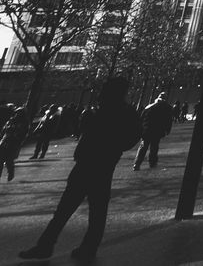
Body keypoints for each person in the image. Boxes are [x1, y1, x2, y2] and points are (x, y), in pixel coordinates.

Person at [19, 76, 141, 263]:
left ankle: (46, 246)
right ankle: (85, 247)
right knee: (95, 212)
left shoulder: (109, 110)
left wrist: (109, 145)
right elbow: (132, 136)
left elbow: (96, 133)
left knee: (67, 210)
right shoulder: (124, 112)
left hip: (90, 163)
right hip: (101, 165)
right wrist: (115, 148)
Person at [133, 93, 173, 170]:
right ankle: (152, 163)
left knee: (143, 147)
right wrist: (167, 129)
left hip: (146, 130)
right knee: (154, 147)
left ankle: (137, 164)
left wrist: (140, 129)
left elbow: (141, 118)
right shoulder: (166, 107)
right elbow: (168, 120)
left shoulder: (149, 106)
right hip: (157, 130)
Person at [1, 106, 31, 182]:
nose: (17, 114)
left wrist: (17, 139)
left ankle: (11, 173)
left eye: (19, 113)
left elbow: (23, 133)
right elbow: (4, 130)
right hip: (4, 141)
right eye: (16, 112)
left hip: (13, 143)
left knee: (9, 159)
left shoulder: (24, 122)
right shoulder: (11, 120)